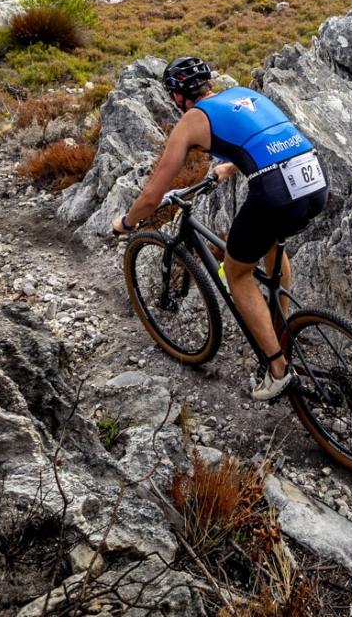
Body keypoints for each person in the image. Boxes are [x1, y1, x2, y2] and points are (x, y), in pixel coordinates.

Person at [112, 56, 329, 400]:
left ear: (177, 96)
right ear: (209, 83)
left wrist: (126, 223)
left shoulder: (192, 120)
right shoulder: (244, 94)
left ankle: (277, 370)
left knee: (237, 272)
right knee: (271, 242)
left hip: (275, 190)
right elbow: (263, 139)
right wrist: (229, 166)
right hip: (314, 179)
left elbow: (152, 195)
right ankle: (280, 329)